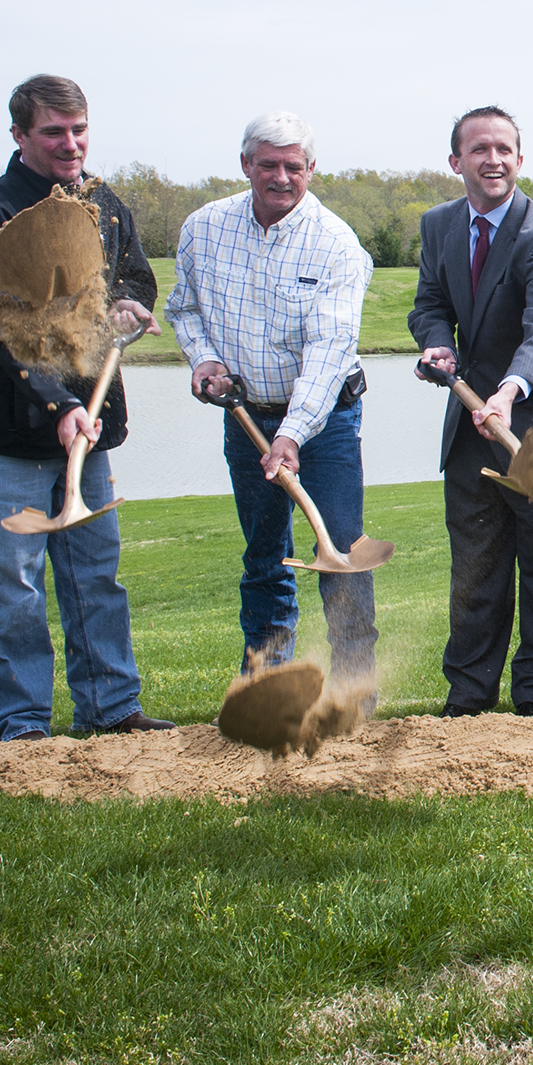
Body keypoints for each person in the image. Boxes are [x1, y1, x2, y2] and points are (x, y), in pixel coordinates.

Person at [0, 73, 173, 741]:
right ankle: (20, 725)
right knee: (14, 588)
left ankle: (110, 708)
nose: (71, 144)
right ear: (19, 135)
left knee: (95, 575)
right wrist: (58, 403)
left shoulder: (102, 203)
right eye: (53, 132)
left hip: (87, 435)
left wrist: (129, 304)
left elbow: (133, 275)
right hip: (3, 438)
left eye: (79, 129)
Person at [166, 112, 378, 697]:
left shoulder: (336, 244)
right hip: (245, 414)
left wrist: (292, 434)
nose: (281, 177)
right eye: (268, 164)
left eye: (294, 166)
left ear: (312, 169)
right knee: (264, 555)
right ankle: (266, 680)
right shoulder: (204, 228)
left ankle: (356, 688)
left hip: (325, 417)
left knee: (339, 549)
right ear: (246, 166)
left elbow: (329, 349)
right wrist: (203, 359)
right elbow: (182, 309)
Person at [409, 105, 533, 718]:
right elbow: (429, 301)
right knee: (476, 572)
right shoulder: (438, 226)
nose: (494, 160)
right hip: (468, 431)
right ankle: (469, 700)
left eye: (505, 149)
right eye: (480, 149)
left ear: (519, 158)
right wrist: (435, 341)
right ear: (456, 161)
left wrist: (511, 390)